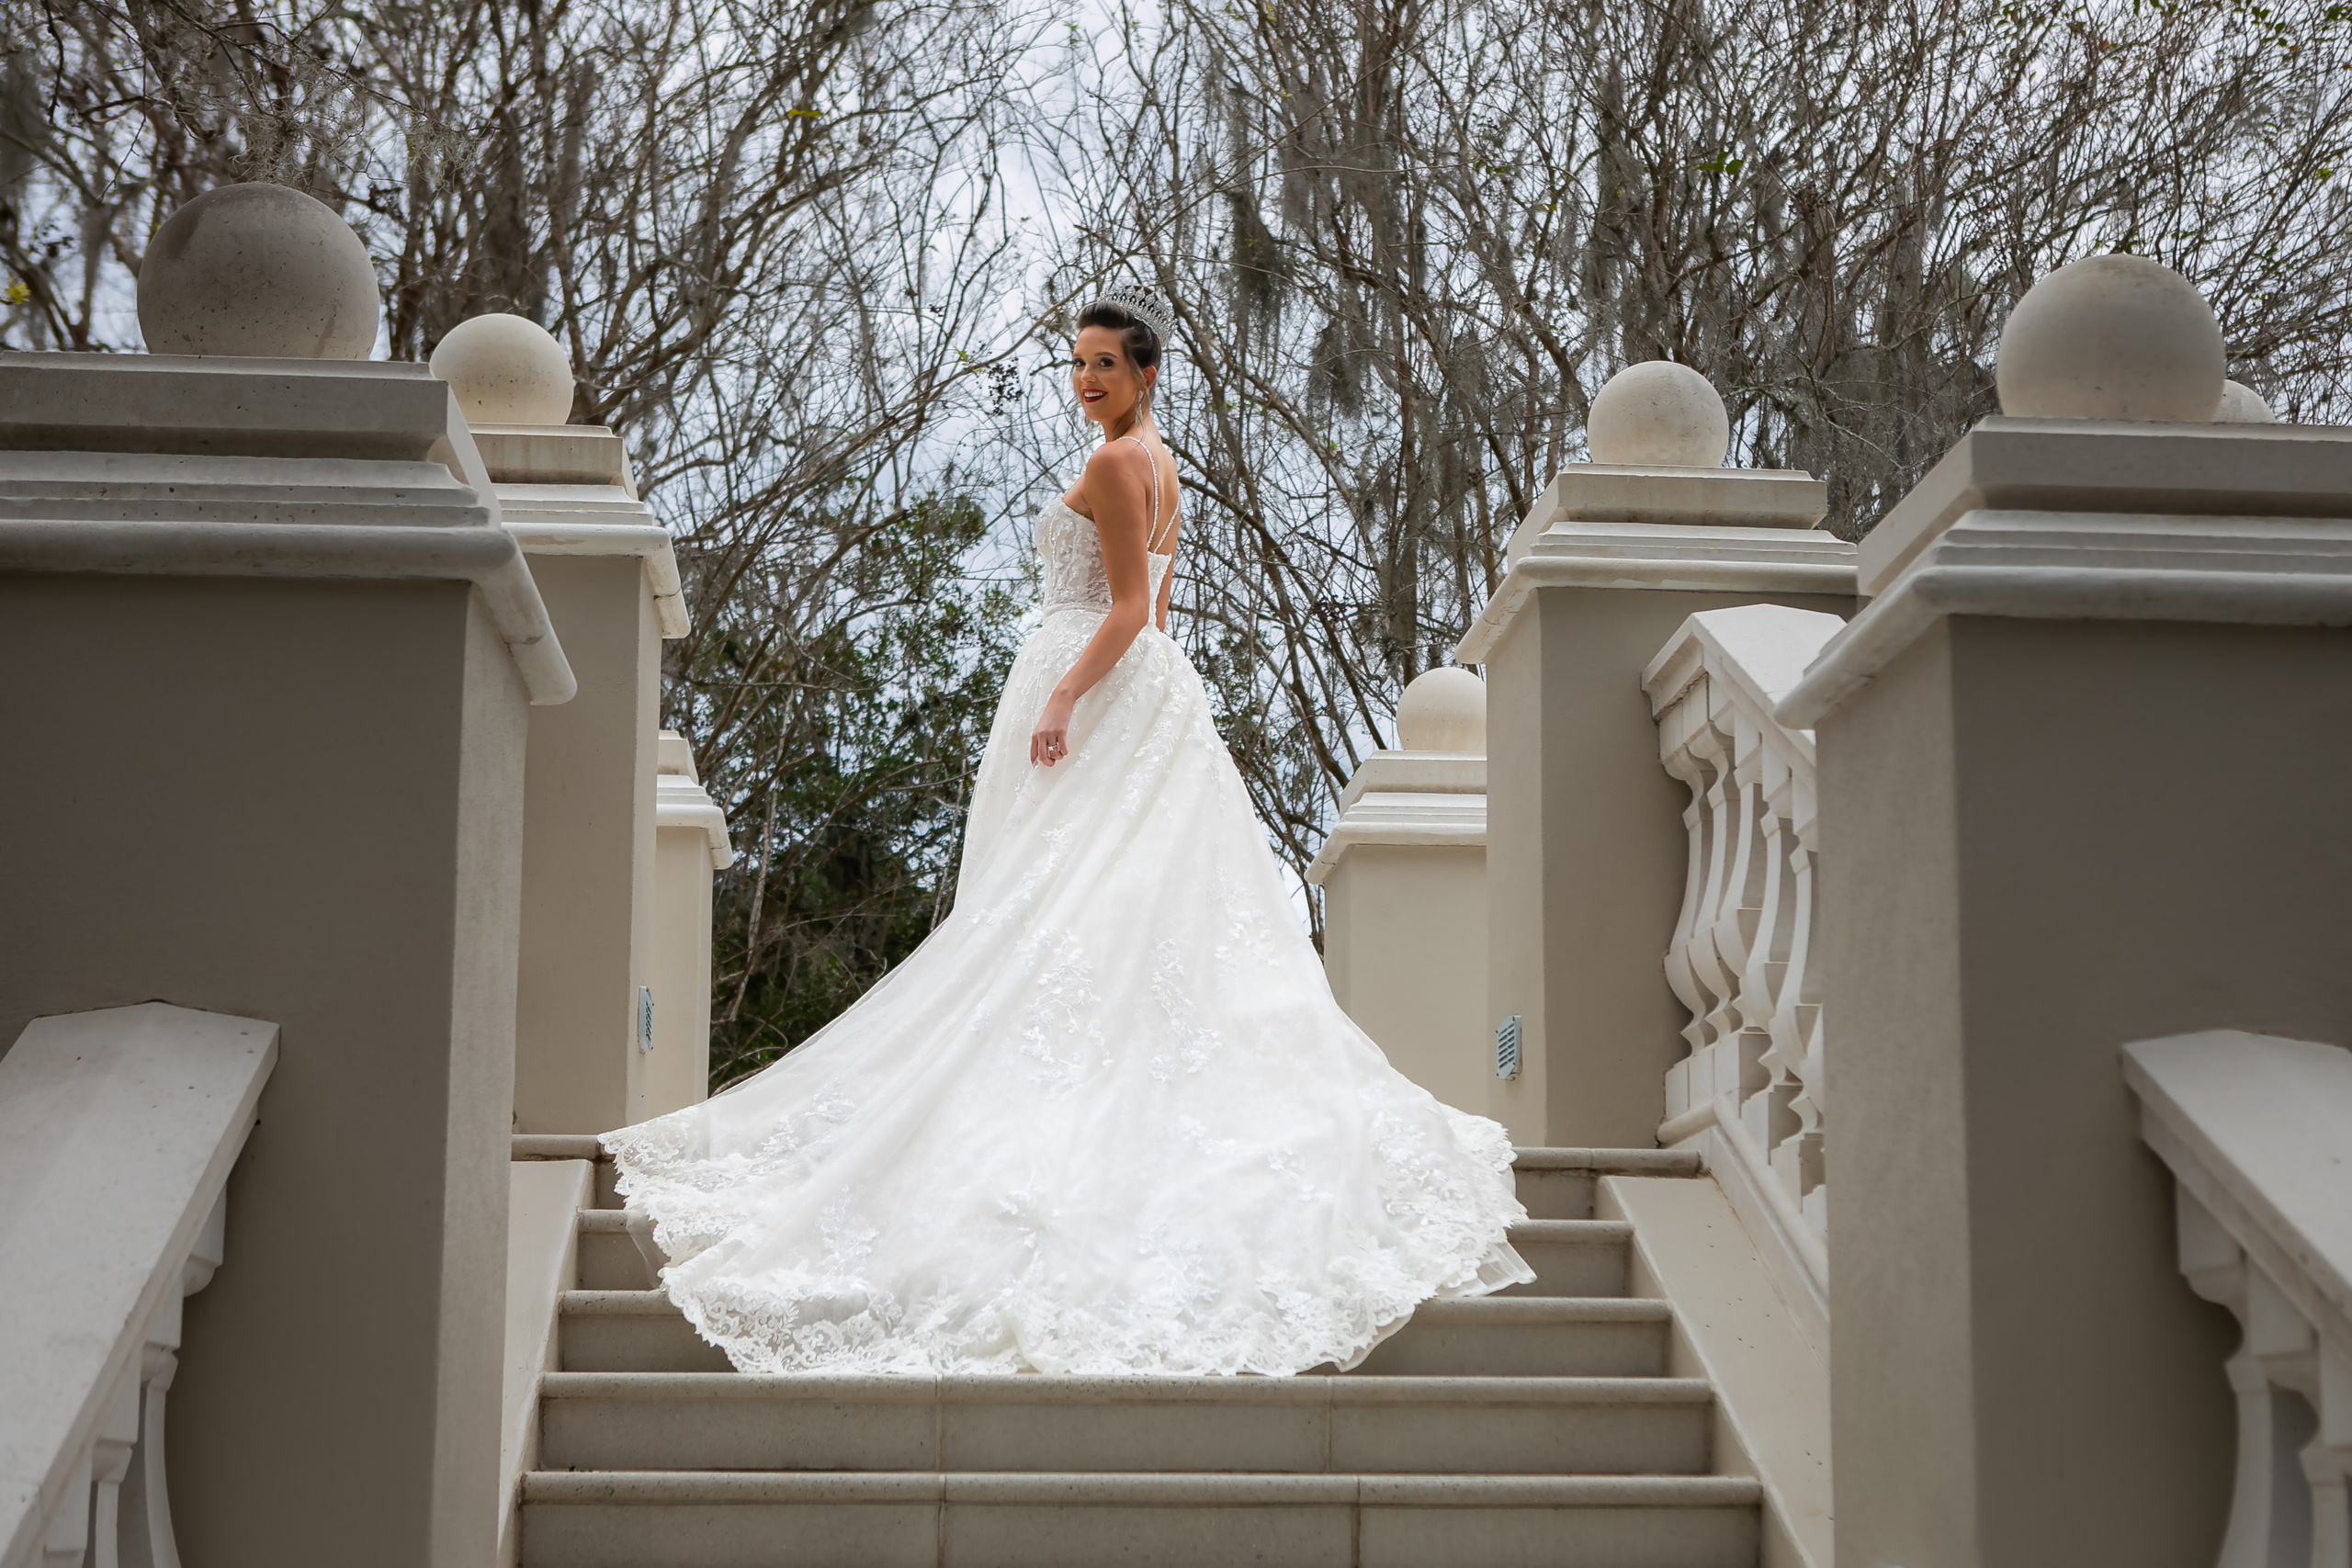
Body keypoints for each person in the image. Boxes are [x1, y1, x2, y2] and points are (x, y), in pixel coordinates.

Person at [603, 283, 1529, 1376]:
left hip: (1095, 680)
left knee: (1050, 913)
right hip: (1140, 694)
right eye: (1076, 363)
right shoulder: (1161, 460)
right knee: (1097, 911)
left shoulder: (1116, 464)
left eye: (1104, 364)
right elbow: (1162, 611)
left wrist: (1061, 699)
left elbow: (1130, 608)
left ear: (1144, 373)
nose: (1085, 380)